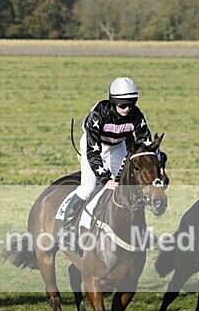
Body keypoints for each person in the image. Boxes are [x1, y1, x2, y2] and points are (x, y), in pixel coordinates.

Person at [60, 77, 153, 245]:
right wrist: (105, 179)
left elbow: (145, 142)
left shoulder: (136, 115)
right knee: (88, 187)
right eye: (122, 105)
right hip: (93, 145)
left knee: (129, 187)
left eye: (130, 105)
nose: (126, 109)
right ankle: (66, 231)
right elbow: (93, 151)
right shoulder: (99, 113)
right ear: (113, 102)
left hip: (117, 146)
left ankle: (140, 230)